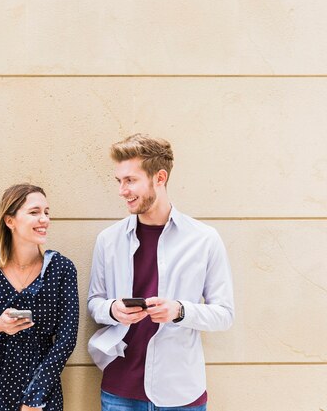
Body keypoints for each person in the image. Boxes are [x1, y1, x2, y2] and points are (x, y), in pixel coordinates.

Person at [87, 134, 234, 410]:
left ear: (160, 177)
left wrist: (179, 311)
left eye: (130, 180)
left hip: (181, 393)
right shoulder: (108, 240)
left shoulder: (204, 239)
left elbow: (224, 314)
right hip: (120, 391)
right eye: (119, 181)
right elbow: (94, 303)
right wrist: (113, 309)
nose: (122, 190)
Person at [0, 184, 79, 411]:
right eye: (34, 212)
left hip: (42, 384)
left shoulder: (62, 269)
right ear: (10, 221)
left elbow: (66, 340)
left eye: (47, 212)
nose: (44, 219)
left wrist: (35, 397)